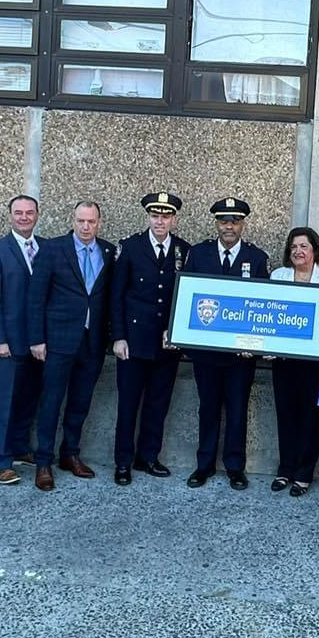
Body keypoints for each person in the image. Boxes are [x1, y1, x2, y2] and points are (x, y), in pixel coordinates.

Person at [27, 201, 116, 491]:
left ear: (99, 222)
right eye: (81, 221)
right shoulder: (53, 249)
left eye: (91, 221)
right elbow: (36, 297)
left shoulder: (108, 251)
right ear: (73, 221)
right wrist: (36, 339)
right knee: (51, 402)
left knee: (80, 402)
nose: (86, 227)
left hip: (92, 342)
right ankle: (43, 461)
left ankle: (70, 454)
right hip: (58, 341)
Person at [183, 197, 270, 489]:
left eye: (235, 221)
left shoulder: (256, 258)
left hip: (240, 355)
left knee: (237, 410)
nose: (229, 226)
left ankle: (235, 467)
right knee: (207, 409)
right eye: (223, 221)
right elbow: (186, 297)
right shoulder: (199, 254)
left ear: (243, 224)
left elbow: (262, 306)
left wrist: (256, 344)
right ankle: (204, 466)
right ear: (216, 224)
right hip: (206, 353)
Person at [109, 192, 191, 486]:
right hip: (133, 342)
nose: (160, 221)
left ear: (174, 219)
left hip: (167, 344)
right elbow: (116, 295)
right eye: (155, 216)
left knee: (158, 404)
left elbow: (186, 296)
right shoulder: (130, 247)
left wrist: (177, 330)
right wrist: (118, 337)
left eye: (165, 216)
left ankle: (148, 457)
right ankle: (123, 462)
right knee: (128, 405)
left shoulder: (184, 250)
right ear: (148, 217)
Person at [269, 226, 319, 496]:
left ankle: (303, 474)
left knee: (311, 417)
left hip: (316, 359)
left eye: (304, 246)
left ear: (315, 249)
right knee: (285, 413)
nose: (298, 251)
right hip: (285, 357)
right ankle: (285, 469)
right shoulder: (279, 275)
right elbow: (269, 313)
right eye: (294, 247)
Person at [0, 195, 43, 486]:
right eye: (19, 213)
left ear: (37, 215)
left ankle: (19, 447)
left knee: (28, 399)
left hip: (36, 343)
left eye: (29, 212)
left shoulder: (45, 248)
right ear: (10, 216)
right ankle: (0, 461)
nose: (24, 217)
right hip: (7, 343)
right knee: (3, 403)